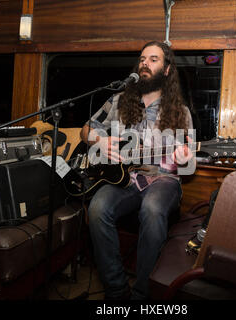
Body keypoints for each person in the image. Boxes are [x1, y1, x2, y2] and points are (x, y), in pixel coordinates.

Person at [79, 41, 195, 300]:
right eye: (143, 59)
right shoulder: (118, 101)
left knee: (152, 210)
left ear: (166, 70)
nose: (145, 63)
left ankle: (142, 295)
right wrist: (99, 141)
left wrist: (185, 158)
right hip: (125, 178)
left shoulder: (181, 112)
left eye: (154, 59)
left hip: (163, 179)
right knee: (97, 209)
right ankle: (117, 291)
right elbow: (86, 128)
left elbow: (188, 167)